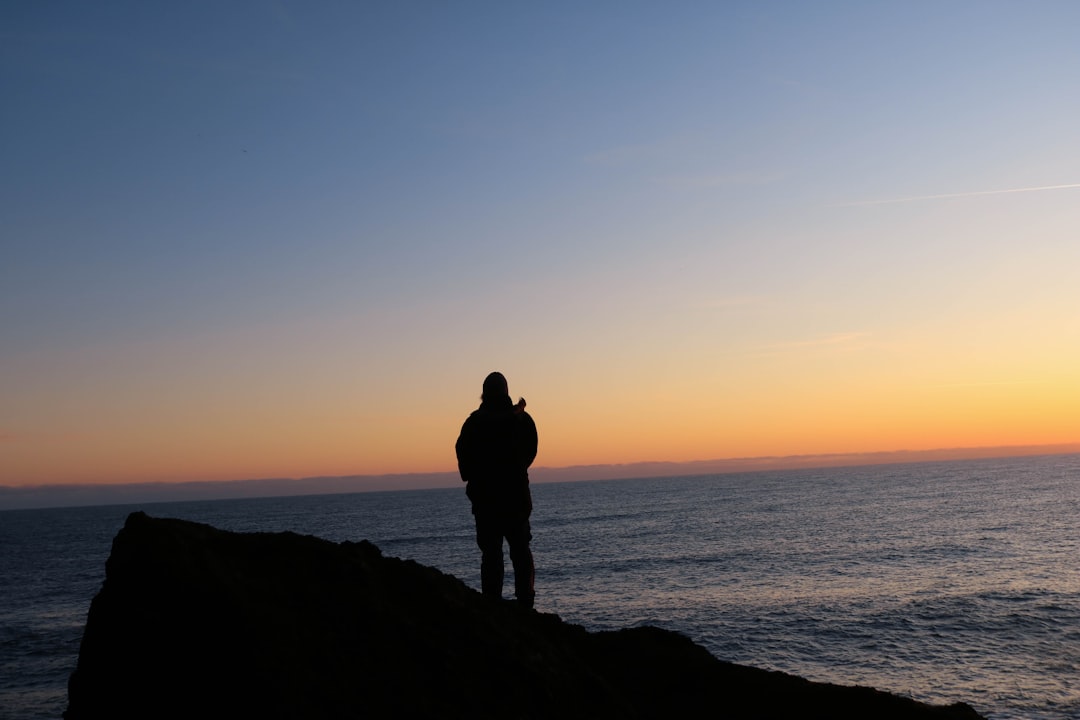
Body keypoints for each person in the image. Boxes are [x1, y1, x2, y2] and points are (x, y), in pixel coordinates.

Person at [455, 371, 538, 608]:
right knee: (521, 552)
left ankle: (492, 605)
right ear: (506, 391)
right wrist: (515, 471)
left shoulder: (473, 424)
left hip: (486, 501)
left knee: (491, 555)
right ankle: (525, 604)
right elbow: (530, 453)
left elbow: (464, 460)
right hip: (516, 500)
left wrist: (479, 476)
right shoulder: (523, 419)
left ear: (484, 394)